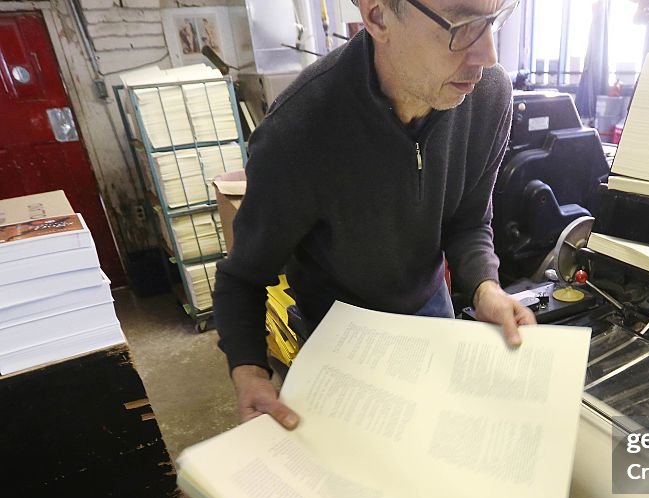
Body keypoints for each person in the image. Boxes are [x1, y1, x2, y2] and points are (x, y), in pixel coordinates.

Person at [215, 0, 532, 432]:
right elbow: (243, 277)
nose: (489, 55)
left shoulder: (487, 93)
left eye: (494, 20)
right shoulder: (298, 133)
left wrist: (484, 288)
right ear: (379, 17)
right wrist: (250, 372)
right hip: (341, 333)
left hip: (429, 307)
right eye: (463, 23)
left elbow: (468, 221)